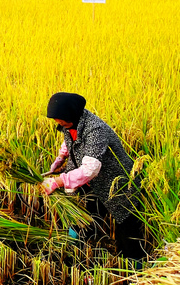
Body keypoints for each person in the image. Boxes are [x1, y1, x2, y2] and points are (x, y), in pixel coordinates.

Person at [41, 92, 147, 260]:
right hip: (93, 183)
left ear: (72, 115)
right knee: (84, 215)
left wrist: (59, 181)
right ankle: (75, 251)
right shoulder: (71, 123)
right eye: (56, 120)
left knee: (126, 226)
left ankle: (136, 268)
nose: (58, 123)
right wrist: (60, 159)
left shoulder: (95, 129)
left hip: (117, 183)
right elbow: (70, 140)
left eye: (61, 120)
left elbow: (91, 169)